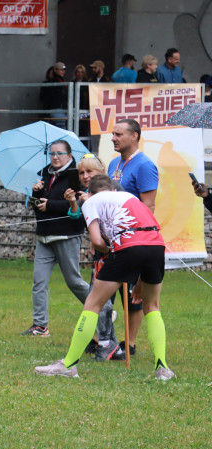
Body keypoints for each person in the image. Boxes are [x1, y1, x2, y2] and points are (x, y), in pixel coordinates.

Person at [34, 174, 174, 380]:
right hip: (156, 245)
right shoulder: (131, 198)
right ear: (114, 190)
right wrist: (140, 280)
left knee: (92, 304)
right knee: (152, 307)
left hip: (127, 247)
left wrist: (110, 251)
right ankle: (162, 368)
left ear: (89, 193)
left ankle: (69, 365)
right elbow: (146, 236)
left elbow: (97, 241)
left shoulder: (90, 202)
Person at [20, 140, 90, 337]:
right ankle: (40, 325)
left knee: (74, 281)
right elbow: (38, 205)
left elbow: (75, 205)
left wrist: (49, 204)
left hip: (67, 234)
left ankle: (103, 309)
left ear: (69, 155)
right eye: (52, 154)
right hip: (44, 234)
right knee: (38, 281)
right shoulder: (44, 172)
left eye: (59, 153)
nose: (55, 157)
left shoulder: (77, 175)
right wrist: (36, 192)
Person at [64, 154, 124, 361]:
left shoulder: (113, 189)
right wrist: (74, 203)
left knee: (97, 300)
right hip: (102, 251)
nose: (85, 176)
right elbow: (77, 221)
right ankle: (108, 345)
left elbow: (118, 219)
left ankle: (108, 345)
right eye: (81, 172)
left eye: (90, 171)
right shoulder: (87, 193)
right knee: (98, 300)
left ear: (102, 171)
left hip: (118, 251)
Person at [107, 118, 159, 356]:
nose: (113, 138)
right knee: (105, 287)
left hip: (134, 238)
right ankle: (101, 339)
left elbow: (148, 206)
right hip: (112, 236)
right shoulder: (113, 164)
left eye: (119, 134)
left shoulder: (145, 165)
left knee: (133, 293)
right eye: (113, 134)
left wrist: (137, 236)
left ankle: (130, 343)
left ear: (134, 136)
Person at [40, 62, 68, 128]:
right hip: (56, 109)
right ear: (55, 70)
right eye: (61, 70)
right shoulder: (53, 82)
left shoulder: (62, 81)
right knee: (61, 128)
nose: (63, 71)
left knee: (60, 128)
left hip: (61, 109)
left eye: (64, 70)